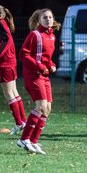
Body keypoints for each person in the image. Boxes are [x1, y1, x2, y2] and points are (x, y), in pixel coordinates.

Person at [16, 8, 60, 154]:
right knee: (40, 106)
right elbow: (23, 54)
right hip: (33, 75)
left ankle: (33, 141)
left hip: (44, 76)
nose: (48, 19)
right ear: (39, 20)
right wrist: (40, 66)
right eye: (45, 17)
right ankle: (24, 139)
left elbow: (46, 58)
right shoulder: (35, 35)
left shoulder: (52, 37)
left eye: (50, 17)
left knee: (47, 109)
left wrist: (51, 65)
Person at [0, 5, 26, 135]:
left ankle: (19, 123)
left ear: (1, 15)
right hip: (8, 62)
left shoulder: (0, 24)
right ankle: (23, 121)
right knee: (14, 92)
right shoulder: (1, 24)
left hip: (5, 63)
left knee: (9, 94)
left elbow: (7, 40)